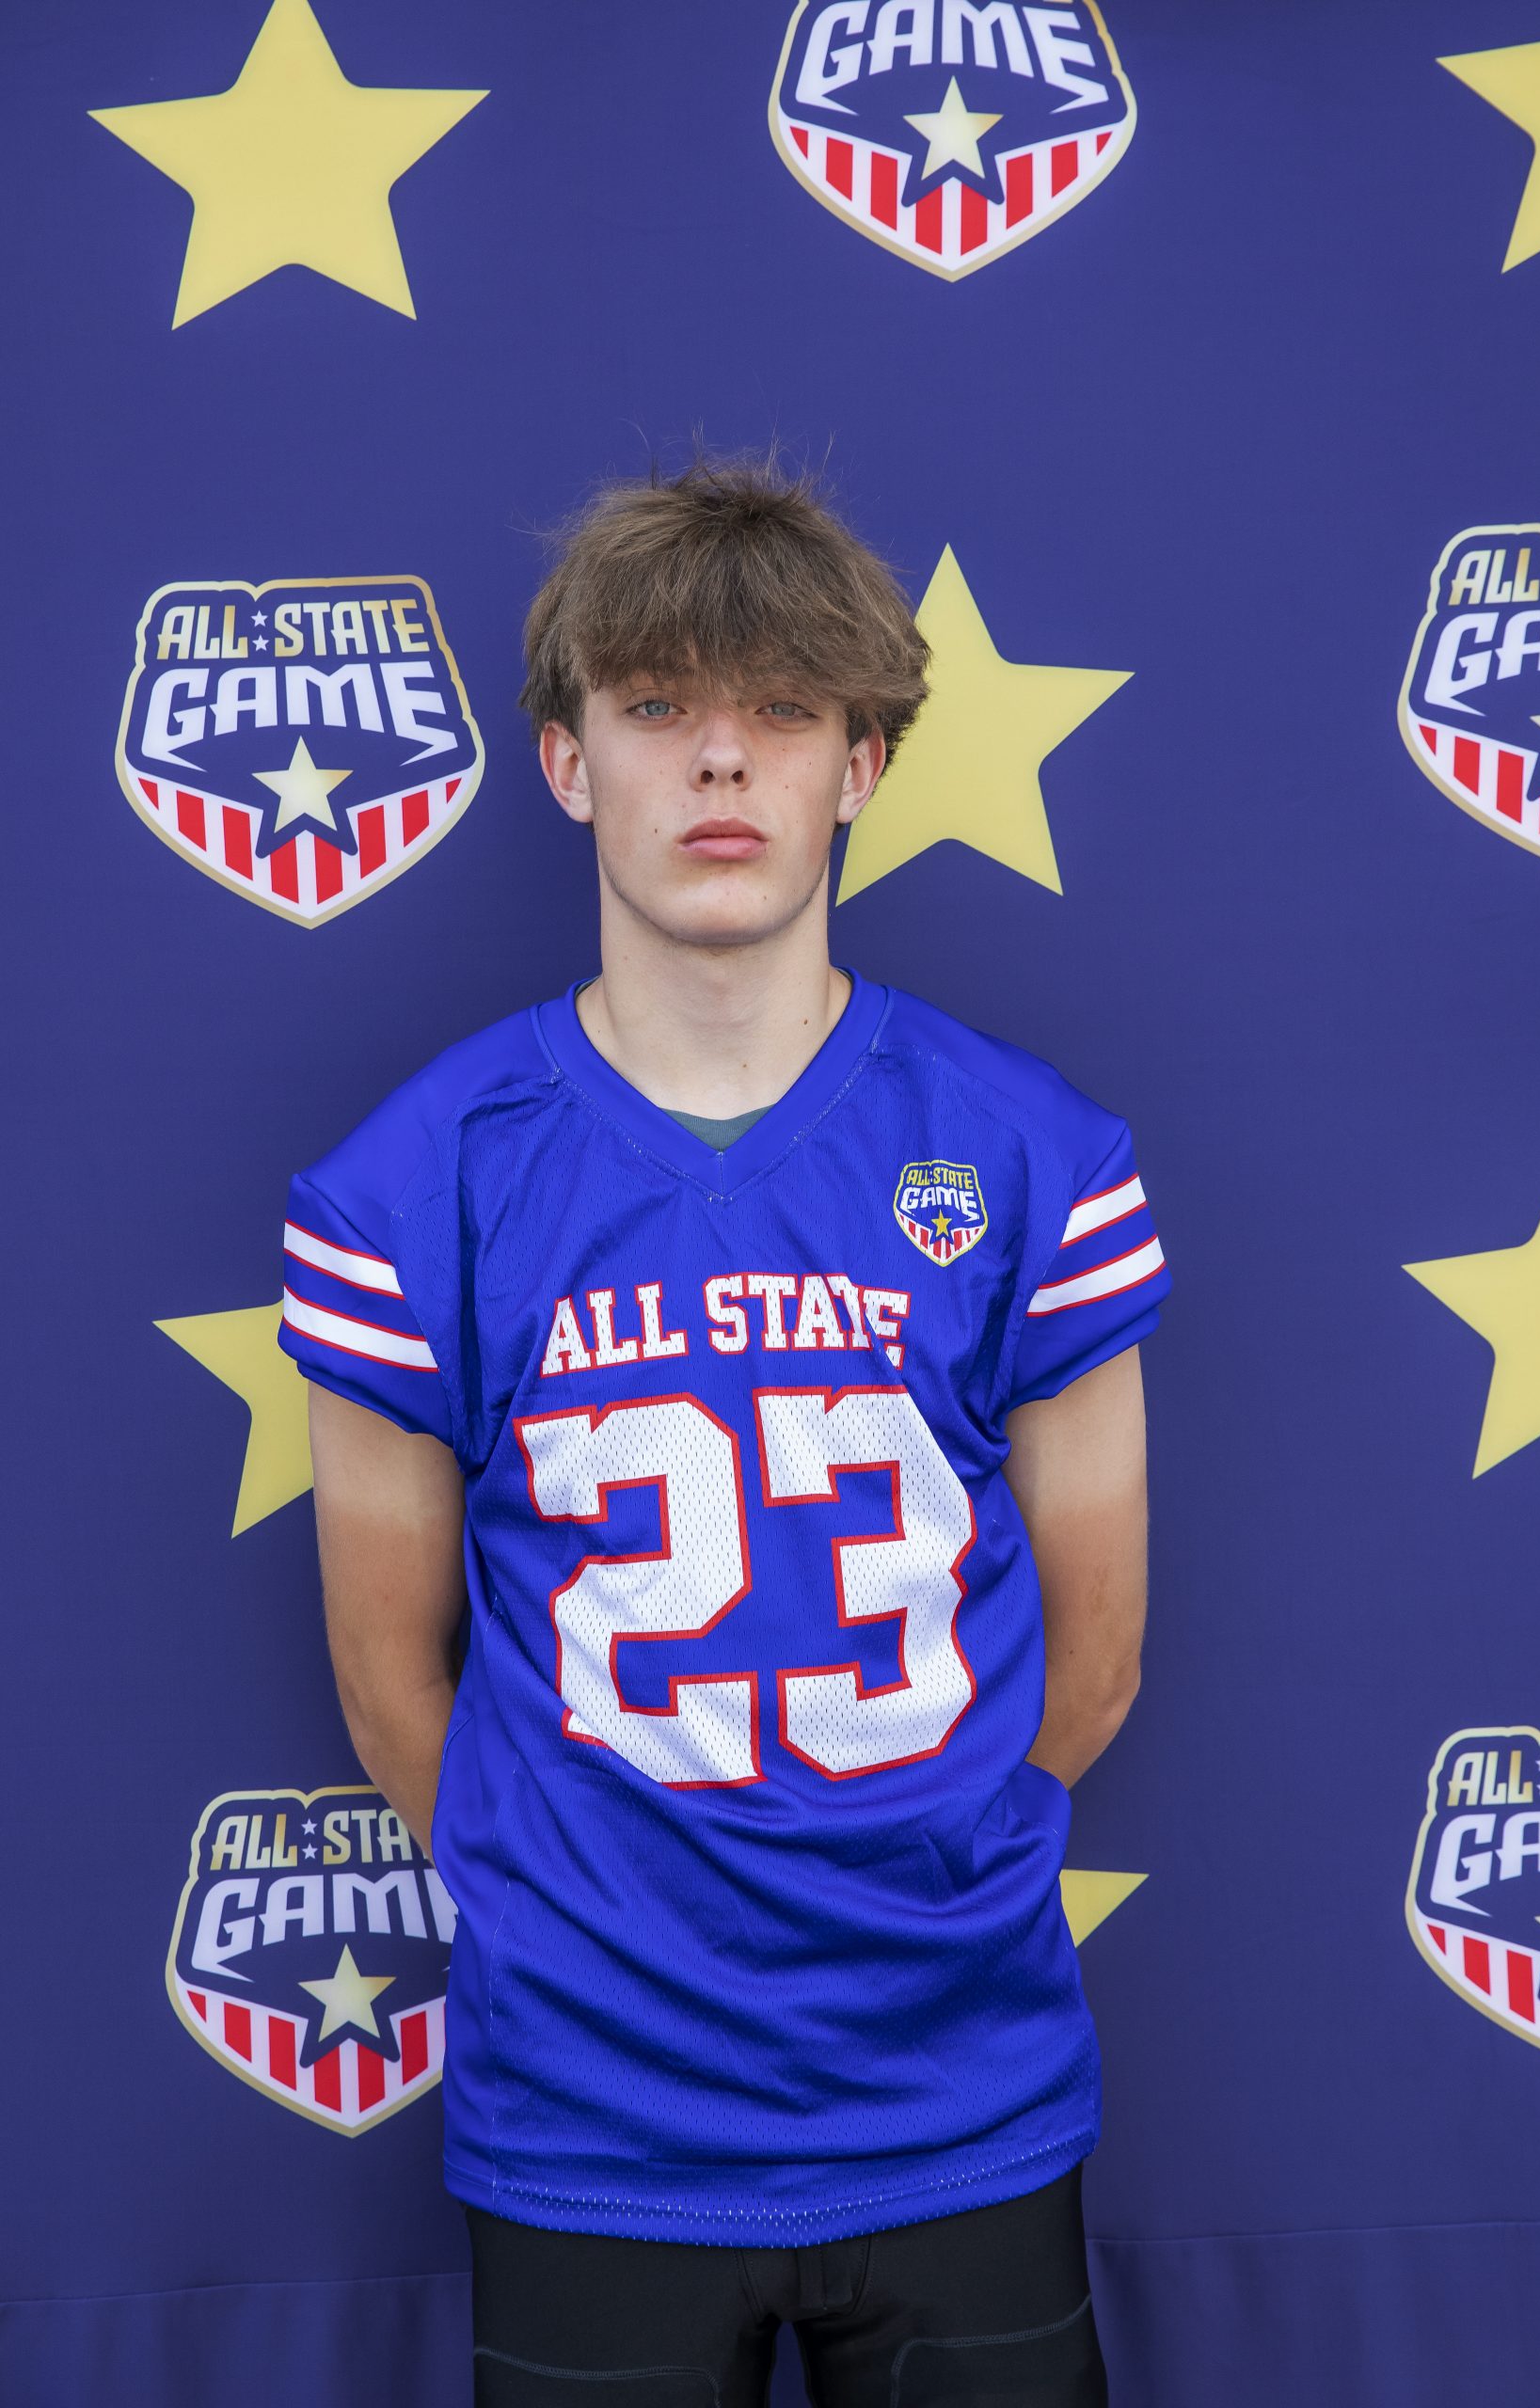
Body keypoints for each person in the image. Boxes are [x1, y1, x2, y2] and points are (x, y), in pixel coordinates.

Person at [278, 454, 1169, 2407]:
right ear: (564, 761)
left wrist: (908, 1876)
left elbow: (1090, 1659)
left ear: (861, 766)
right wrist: (607, 1928)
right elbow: (390, 1689)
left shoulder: (1023, 1151)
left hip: (956, 2084)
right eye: (656, 706)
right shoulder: (419, 1181)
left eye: (780, 709)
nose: (717, 761)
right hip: (591, 2110)